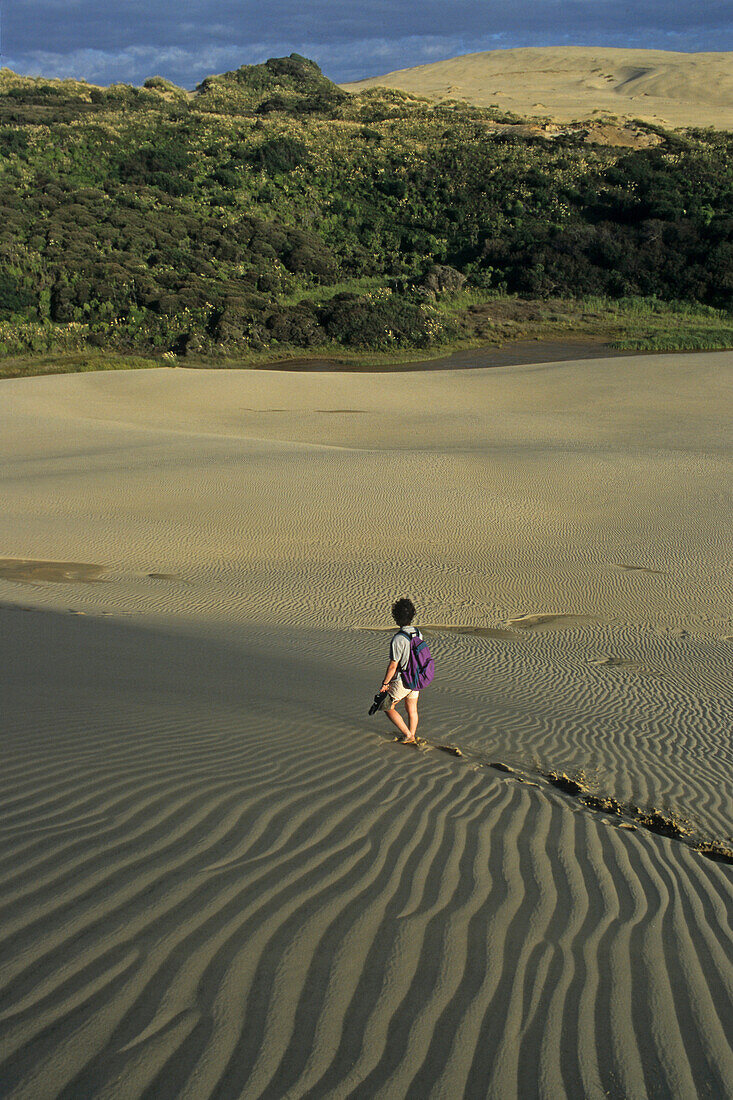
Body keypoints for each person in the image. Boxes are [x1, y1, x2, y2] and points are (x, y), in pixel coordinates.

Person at [380, 597, 421, 743]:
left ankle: (408, 735)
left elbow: (393, 666)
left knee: (386, 706)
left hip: (403, 680)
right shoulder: (417, 633)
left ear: (396, 617)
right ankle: (412, 734)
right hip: (416, 677)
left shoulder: (398, 639)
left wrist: (385, 684)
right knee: (412, 709)